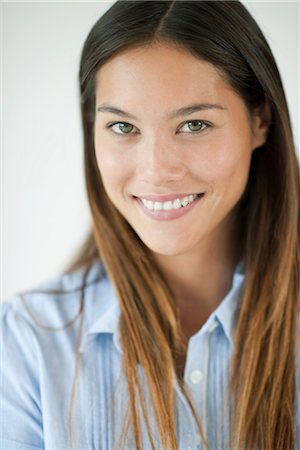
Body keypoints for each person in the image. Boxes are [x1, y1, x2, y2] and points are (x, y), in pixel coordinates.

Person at [1, 1, 299, 449]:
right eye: (123, 127)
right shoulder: (26, 344)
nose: (156, 170)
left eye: (194, 124)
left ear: (261, 121)